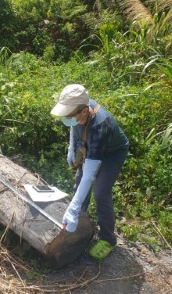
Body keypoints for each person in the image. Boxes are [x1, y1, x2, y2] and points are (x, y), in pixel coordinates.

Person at [50, 84, 129, 261]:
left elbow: (90, 176)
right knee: (79, 182)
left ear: (84, 112)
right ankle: (81, 221)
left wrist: (72, 207)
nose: (67, 119)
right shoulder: (82, 107)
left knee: (100, 192)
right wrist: (71, 148)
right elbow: (74, 127)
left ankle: (108, 239)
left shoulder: (100, 125)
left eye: (70, 115)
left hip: (111, 154)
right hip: (90, 146)